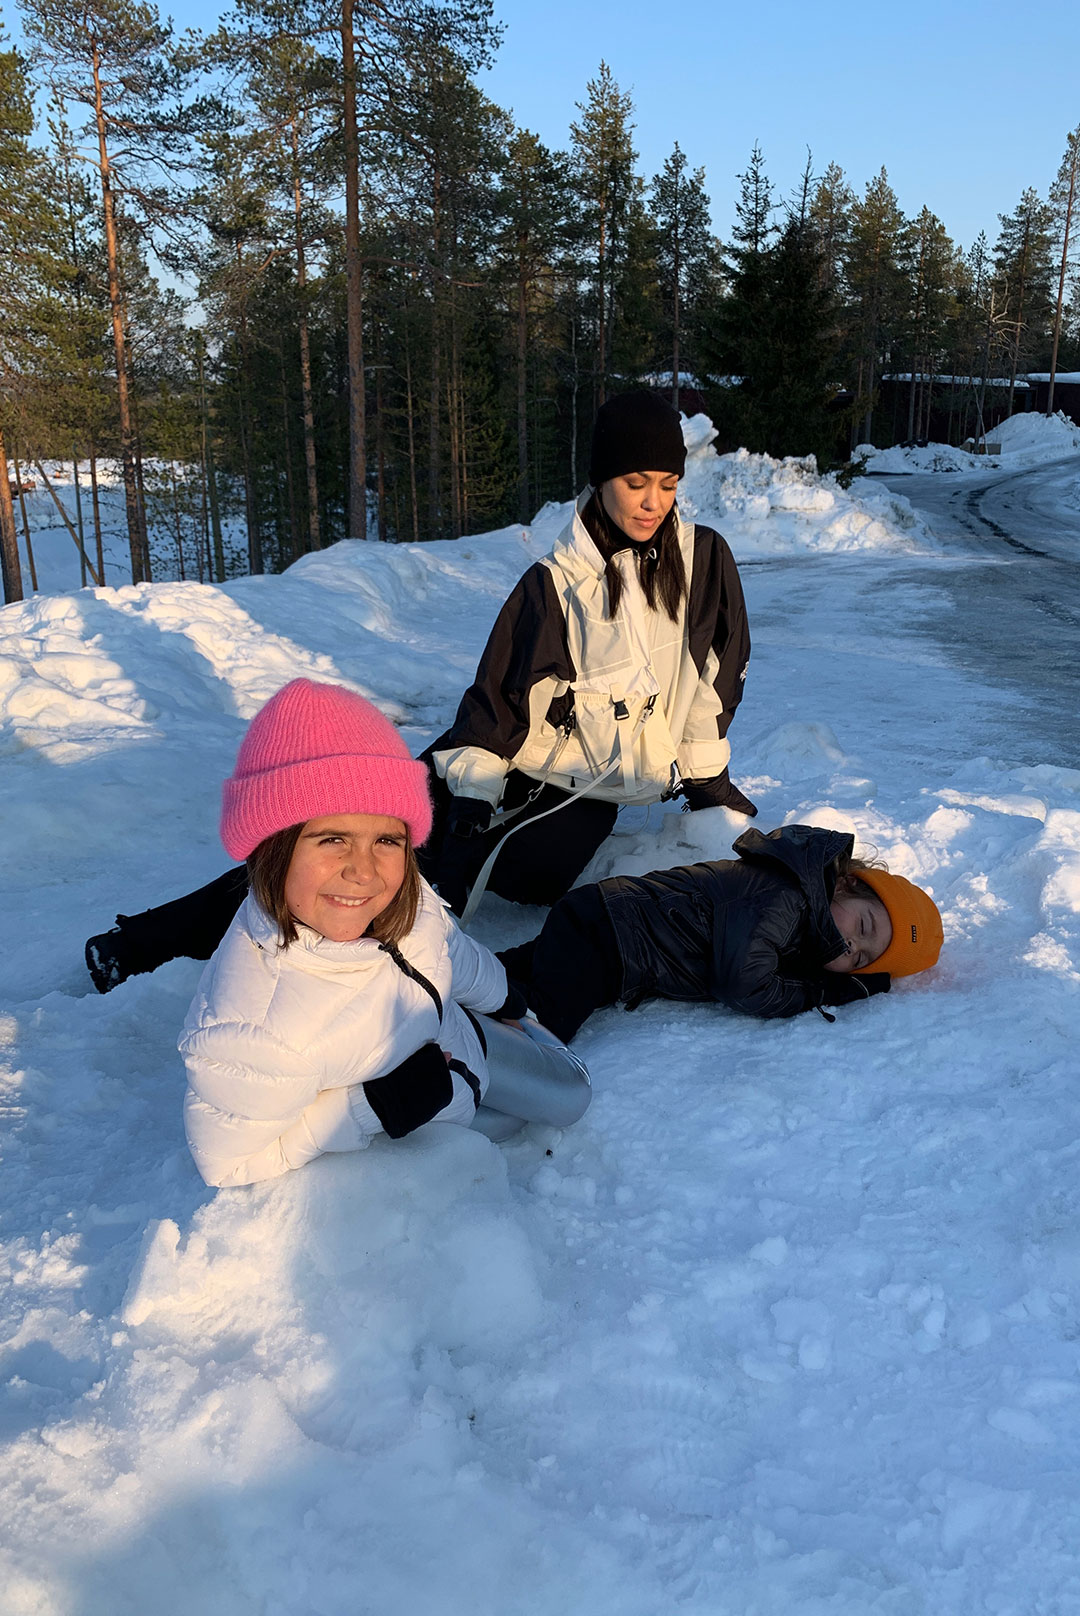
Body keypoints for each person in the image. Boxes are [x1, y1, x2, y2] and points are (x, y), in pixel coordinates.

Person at [85, 389, 752, 993]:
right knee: (346, 844)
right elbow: (499, 704)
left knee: (439, 874)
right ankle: (142, 944)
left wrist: (708, 783)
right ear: (602, 479)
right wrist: (469, 797)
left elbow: (711, 687)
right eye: (635, 483)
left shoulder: (704, 560)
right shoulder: (557, 584)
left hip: (576, 795)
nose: (652, 502)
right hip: (502, 767)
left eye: (667, 485)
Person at [180, 679, 591, 1189]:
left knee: (571, 1098)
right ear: (272, 848)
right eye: (332, 839)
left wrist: (503, 995)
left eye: (386, 840)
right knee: (501, 1129)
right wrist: (375, 1105)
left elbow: (446, 946)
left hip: (459, 1040)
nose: (365, 871)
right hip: (417, 1104)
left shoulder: (402, 892)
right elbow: (229, 1164)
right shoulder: (253, 1035)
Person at [496, 824, 945, 1044]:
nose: (852, 947)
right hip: (604, 934)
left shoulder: (806, 918)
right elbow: (745, 984)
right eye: (863, 927)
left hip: (607, 936)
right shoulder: (783, 896)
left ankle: (440, 974)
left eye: (861, 959)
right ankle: (455, 1056)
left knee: (499, 978)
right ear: (847, 884)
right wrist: (836, 988)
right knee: (540, 1029)